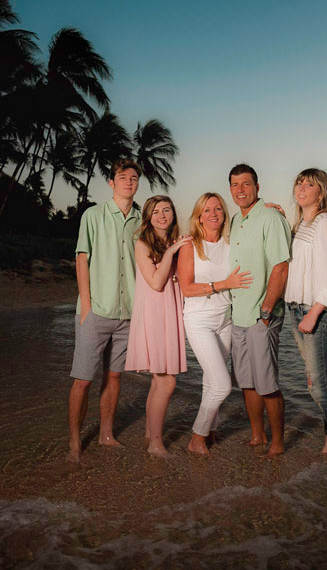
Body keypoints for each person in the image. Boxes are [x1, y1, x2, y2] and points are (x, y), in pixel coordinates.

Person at [68, 158, 142, 463]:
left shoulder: (143, 219)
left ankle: (106, 434)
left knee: (114, 377)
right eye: (122, 177)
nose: (128, 182)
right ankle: (75, 439)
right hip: (95, 311)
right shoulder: (93, 215)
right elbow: (82, 258)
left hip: (128, 314)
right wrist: (86, 305)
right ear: (111, 183)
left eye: (133, 178)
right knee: (83, 379)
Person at [177, 193, 254, 455]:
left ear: (224, 214)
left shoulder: (231, 243)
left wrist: (271, 209)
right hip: (199, 320)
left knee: (211, 382)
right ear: (199, 216)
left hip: (226, 319)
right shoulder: (190, 246)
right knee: (222, 385)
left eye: (218, 209)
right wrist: (223, 284)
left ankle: (210, 431)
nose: (213, 214)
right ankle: (196, 437)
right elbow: (187, 288)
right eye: (207, 210)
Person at [284, 168, 327, 460]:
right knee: (317, 382)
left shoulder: (324, 223)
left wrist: (313, 313)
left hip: (317, 313)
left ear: (321, 192)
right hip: (297, 309)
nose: (301, 188)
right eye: (298, 183)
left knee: (321, 386)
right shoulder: (301, 225)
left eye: (309, 184)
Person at [228, 163, 292, 458]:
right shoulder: (234, 221)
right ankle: (257, 435)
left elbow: (281, 266)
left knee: (266, 383)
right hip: (238, 315)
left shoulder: (270, 217)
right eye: (235, 184)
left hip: (261, 316)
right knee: (246, 382)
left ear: (257, 187)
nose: (240, 190)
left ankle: (277, 442)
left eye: (246, 184)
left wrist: (266, 310)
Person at [125, 196, 191, 457]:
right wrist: (171, 253)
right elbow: (155, 282)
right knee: (167, 382)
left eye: (166, 210)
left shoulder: (173, 241)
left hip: (169, 313)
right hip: (154, 314)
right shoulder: (142, 243)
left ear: (173, 213)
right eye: (155, 212)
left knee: (158, 381)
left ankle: (148, 434)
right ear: (148, 217)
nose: (162, 216)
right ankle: (155, 443)